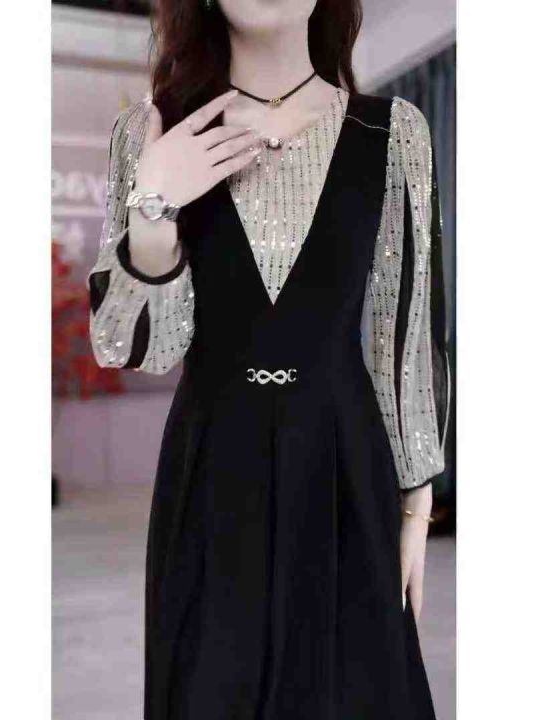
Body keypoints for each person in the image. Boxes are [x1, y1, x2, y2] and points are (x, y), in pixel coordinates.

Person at [88, 0, 450, 717]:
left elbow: (404, 327)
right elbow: (137, 348)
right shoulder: (152, 132)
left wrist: (415, 499)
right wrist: (155, 209)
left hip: (344, 465)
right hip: (211, 466)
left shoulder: (391, 131)